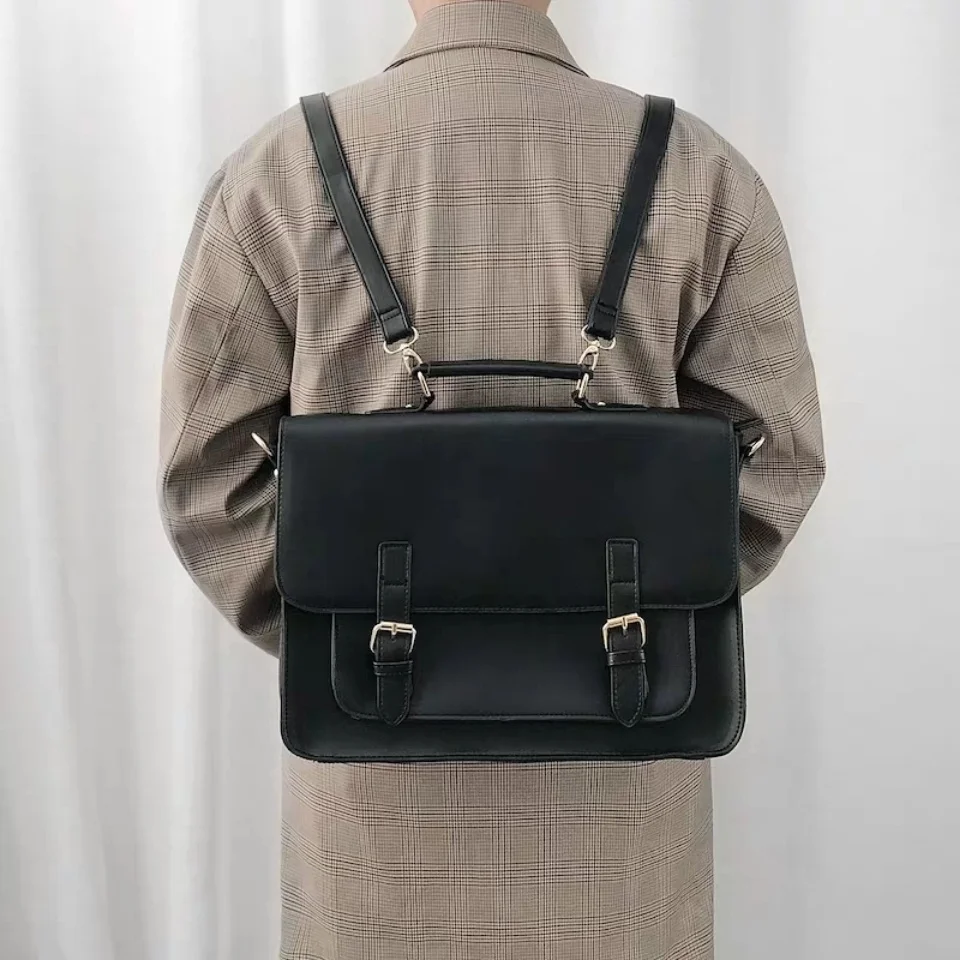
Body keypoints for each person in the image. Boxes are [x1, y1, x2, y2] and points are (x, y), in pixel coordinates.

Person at [158, 0, 825, 956]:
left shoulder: (279, 173)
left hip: (372, 783)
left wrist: (335, 624)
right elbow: (780, 459)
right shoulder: (699, 172)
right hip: (627, 761)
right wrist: (658, 607)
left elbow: (203, 478)